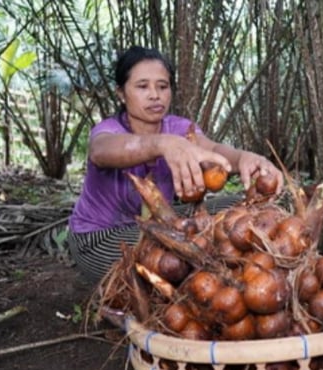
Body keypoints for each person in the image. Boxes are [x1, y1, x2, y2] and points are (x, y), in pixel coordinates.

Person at [68, 46, 284, 281]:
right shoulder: (109, 130)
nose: (155, 95)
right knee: (177, 257)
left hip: (162, 224)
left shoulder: (179, 128)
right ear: (121, 93)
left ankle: (248, 279)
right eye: (142, 86)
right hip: (102, 236)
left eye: (162, 86)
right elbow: (101, 151)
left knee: (247, 209)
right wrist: (162, 144)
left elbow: (211, 150)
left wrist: (244, 158)